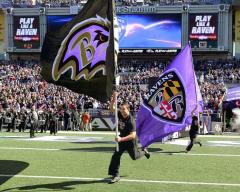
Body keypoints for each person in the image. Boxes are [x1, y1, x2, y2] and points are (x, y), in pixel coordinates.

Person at [108, 92, 150, 184]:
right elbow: (111, 108)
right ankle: (115, 175)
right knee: (116, 156)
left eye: (124, 110)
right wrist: (114, 98)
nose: (122, 111)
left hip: (130, 141)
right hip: (122, 139)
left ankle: (144, 151)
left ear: (128, 109)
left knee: (134, 157)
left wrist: (120, 139)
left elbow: (133, 135)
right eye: (121, 109)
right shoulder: (119, 114)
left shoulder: (131, 121)